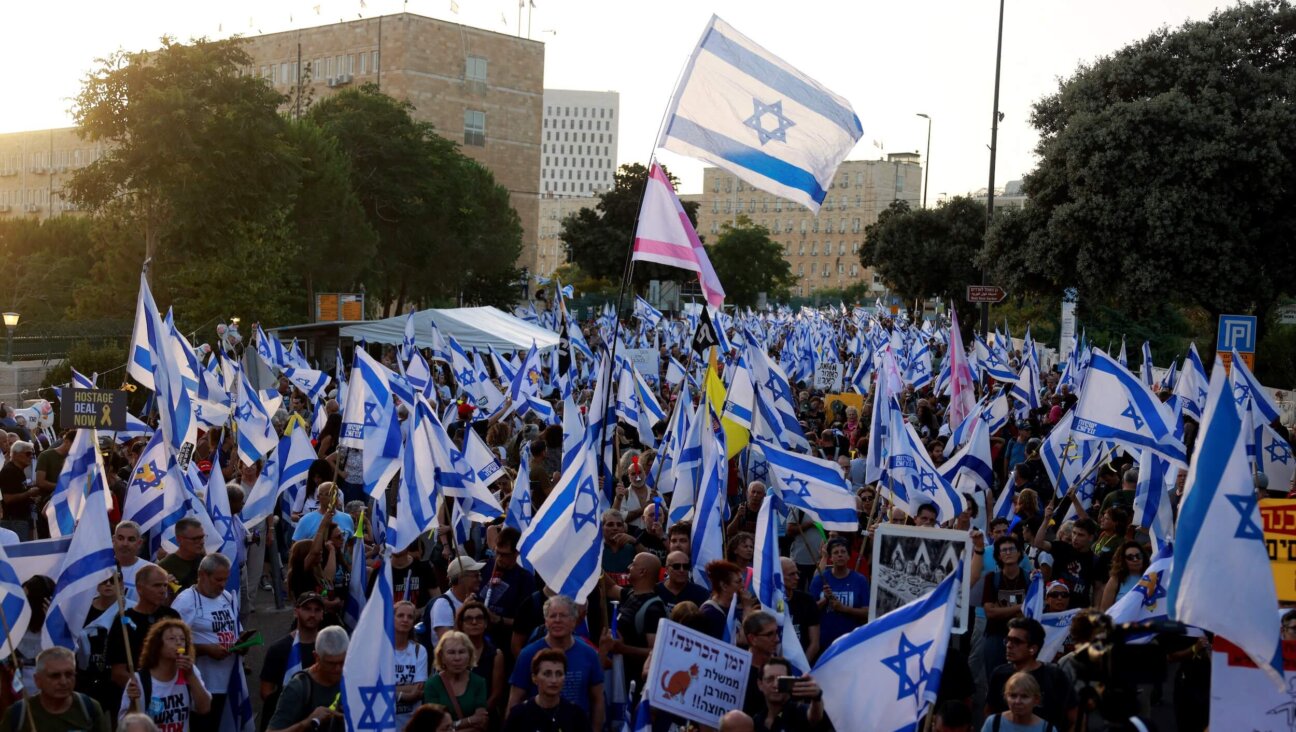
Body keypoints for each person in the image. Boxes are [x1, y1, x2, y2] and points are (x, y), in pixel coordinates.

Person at [507, 595, 604, 730]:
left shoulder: (590, 654)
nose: (557, 620)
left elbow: (598, 700)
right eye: (552, 616)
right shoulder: (528, 654)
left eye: (563, 616)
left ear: (574, 621)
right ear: (546, 622)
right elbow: (515, 699)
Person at [171, 553, 242, 732]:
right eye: (218, 579)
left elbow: (236, 629)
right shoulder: (186, 601)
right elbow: (170, 645)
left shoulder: (226, 596)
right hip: (203, 685)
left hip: (230, 681)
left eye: (225, 579)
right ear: (202, 575)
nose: (222, 584)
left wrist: (242, 644)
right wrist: (204, 649)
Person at [120, 619, 213, 731]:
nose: (179, 642)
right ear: (157, 645)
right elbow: (125, 726)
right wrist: (133, 702)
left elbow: (204, 708)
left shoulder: (190, 671)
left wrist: (191, 676)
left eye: (182, 639)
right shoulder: (140, 680)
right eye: (172, 639)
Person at [985, 618, 1076, 729]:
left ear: (1032, 649)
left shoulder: (1054, 676)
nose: (1009, 645)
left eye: (1016, 641)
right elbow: (990, 713)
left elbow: (1075, 718)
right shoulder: (999, 674)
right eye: (1008, 640)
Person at [108, 565, 181, 694]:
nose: (163, 590)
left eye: (165, 585)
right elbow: (118, 673)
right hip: (139, 697)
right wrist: (149, 690)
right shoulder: (124, 621)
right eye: (157, 585)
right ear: (140, 588)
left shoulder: (172, 617)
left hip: (171, 693)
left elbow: (182, 655)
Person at [0, 647, 110, 732]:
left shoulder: (89, 709)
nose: (63, 682)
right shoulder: (18, 714)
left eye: (69, 674)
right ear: (38, 680)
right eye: (55, 676)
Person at [259, 593, 325, 732]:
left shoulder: (327, 649)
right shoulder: (278, 649)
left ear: (322, 614)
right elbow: (266, 692)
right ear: (296, 612)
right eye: (307, 608)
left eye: (317, 610)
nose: (312, 614)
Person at [266, 625, 348, 732]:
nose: (338, 669)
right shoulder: (299, 688)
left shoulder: (354, 678)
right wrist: (308, 722)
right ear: (316, 657)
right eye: (331, 663)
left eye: (342, 662)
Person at [601, 552, 665, 684]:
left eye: (633, 564)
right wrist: (594, 564)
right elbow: (610, 588)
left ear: (642, 572)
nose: (629, 567)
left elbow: (656, 652)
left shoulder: (654, 609)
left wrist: (623, 649)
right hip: (619, 674)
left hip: (635, 681)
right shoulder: (631, 594)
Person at [501, 649, 589, 732]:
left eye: (559, 674)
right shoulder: (519, 715)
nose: (554, 680)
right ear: (534, 678)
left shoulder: (576, 715)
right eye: (547, 674)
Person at [478, 526, 534, 652]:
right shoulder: (485, 567)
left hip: (505, 644)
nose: (499, 558)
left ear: (516, 553)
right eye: (497, 552)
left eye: (504, 555)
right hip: (480, 641)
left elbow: (525, 623)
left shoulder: (525, 579)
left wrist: (498, 620)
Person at [982, 535, 1029, 678]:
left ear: (1019, 552)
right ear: (999, 556)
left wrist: (1000, 610)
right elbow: (989, 612)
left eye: (1012, 549)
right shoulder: (992, 578)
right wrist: (1020, 607)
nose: (1008, 553)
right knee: (995, 677)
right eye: (1004, 550)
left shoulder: (1029, 578)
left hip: (1023, 636)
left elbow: (1031, 611)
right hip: (996, 635)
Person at [808, 538, 870, 648]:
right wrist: (824, 600)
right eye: (836, 553)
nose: (840, 555)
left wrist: (843, 608)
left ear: (849, 556)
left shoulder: (860, 580)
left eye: (843, 552)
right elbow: (809, 612)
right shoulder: (819, 579)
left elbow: (867, 612)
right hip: (824, 642)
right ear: (830, 558)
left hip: (850, 642)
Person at [423, 631, 488, 730]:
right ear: (442, 657)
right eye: (451, 652)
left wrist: (452, 726)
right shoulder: (432, 685)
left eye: (462, 652)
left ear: (469, 655)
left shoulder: (479, 682)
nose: (457, 658)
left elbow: (480, 722)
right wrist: (470, 721)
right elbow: (436, 727)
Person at [1032, 512, 1099, 609]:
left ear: (1090, 537)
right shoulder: (1061, 547)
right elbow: (1038, 543)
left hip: (1077, 611)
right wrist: (1046, 519)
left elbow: (1098, 588)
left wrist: (1096, 608)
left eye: (1081, 535)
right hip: (1054, 608)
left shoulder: (1095, 560)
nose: (1075, 538)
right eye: (1074, 533)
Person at [454, 600, 506, 715]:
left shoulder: (496, 654)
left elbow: (496, 694)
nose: (474, 622)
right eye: (468, 619)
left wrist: (479, 715)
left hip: (485, 716)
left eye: (479, 618)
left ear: (486, 623)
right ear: (461, 624)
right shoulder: (452, 653)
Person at [753, 656, 824, 732]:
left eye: (781, 680)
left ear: (790, 681)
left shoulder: (798, 711)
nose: (776, 684)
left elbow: (814, 717)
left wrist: (817, 697)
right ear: (760, 684)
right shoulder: (757, 720)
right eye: (770, 679)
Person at [393, 601, 429, 731]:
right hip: (387, 721)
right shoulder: (381, 651)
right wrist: (405, 695)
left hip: (412, 722)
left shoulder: (419, 650)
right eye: (400, 615)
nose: (405, 620)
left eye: (409, 617)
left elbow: (419, 688)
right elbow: (378, 688)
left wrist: (392, 689)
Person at [429, 555, 484, 640]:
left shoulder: (476, 599)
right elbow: (447, 641)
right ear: (461, 578)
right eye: (476, 575)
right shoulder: (443, 605)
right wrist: (463, 610)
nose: (480, 579)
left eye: (480, 574)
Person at [982, 671, 1056, 732]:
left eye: (1024, 696)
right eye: (1013, 696)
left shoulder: (1047, 729)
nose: (1017, 701)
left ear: (1036, 700)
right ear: (1006, 697)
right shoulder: (994, 723)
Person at [780, 558, 821, 663]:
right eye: (791, 574)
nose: (797, 578)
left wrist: (802, 667)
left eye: (797, 573)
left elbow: (814, 644)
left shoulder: (807, 601)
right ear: (779, 576)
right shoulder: (769, 604)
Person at [0, 440, 38, 538]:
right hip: (14, 521)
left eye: (33, 454)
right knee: (19, 551)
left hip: (22, 519)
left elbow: (19, 491)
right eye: (28, 453)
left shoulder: (19, 470)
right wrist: (29, 493)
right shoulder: (9, 471)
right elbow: (8, 498)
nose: (31, 456)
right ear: (16, 454)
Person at [698, 560, 744, 640]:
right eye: (738, 582)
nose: (742, 585)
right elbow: (740, 640)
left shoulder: (736, 605)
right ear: (724, 586)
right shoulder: (710, 613)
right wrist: (748, 608)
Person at [113, 521, 158, 602]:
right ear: (113, 540)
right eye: (120, 538)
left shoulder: (151, 571)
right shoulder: (99, 567)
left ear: (139, 543)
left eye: (131, 539)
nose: (125, 543)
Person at [159, 518, 206, 591]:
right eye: (196, 539)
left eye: (202, 537)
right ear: (179, 539)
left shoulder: (206, 560)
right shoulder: (164, 567)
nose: (202, 542)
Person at [1099, 541, 1148, 612]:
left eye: (1139, 556)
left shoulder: (1151, 576)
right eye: (1130, 557)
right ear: (1123, 560)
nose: (1136, 560)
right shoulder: (1115, 580)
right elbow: (1104, 610)